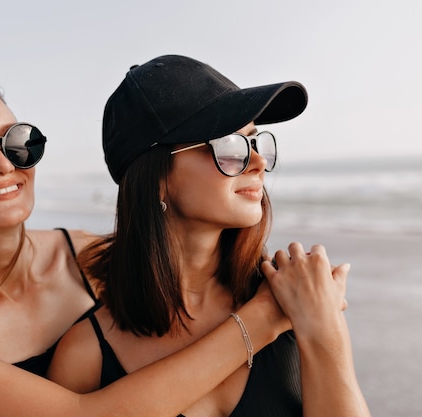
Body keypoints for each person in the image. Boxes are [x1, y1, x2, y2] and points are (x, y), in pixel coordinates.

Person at [0, 56, 344, 417]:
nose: (4, 164)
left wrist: (315, 318)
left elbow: (177, 252)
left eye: (17, 141)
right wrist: (261, 321)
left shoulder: (94, 258)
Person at [48, 54, 371, 417]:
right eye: (230, 146)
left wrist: (325, 329)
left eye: (256, 142)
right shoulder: (86, 354)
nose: (258, 162)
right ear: (158, 179)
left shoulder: (300, 297)